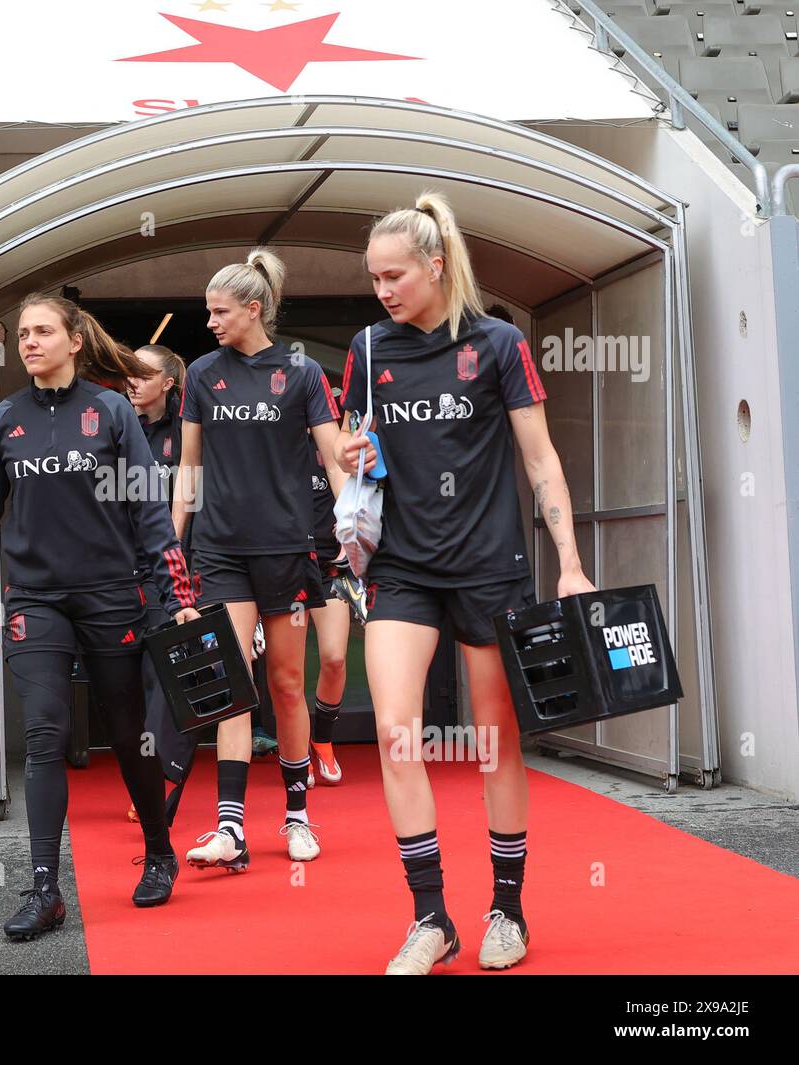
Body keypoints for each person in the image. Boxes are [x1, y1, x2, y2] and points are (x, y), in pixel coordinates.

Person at [334, 191, 595, 974]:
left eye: (396, 275)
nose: (383, 289)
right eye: (375, 277)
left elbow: (541, 460)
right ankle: (431, 917)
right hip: (404, 568)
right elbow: (351, 445)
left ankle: (507, 910)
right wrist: (351, 456)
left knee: (495, 741)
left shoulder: (500, 343)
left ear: (436, 265)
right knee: (393, 730)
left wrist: (573, 564)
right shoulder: (368, 349)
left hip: (490, 563)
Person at [0, 297, 199, 941]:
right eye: (24, 335)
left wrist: (176, 596)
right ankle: (44, 888)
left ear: (72, 340)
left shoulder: (112, 411)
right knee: (44, 733)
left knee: (126, 733)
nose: (30, 342)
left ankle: (158, 850)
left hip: (112, 597)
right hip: (35, 601)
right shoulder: (5, 419)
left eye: (42, 332)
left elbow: (151, 512)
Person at [172, 248, 343, 870]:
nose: (211, 321)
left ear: (253, 308)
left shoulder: (301, 373)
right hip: (220, 550)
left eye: (220, 311)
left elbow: (332, 457)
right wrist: (173, 540)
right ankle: (230, 829)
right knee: (231, 683)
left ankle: (297, 817)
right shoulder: (201, 374)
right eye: (207, 311)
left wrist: (355, 528)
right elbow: (187, 466)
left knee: (288, 685)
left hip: (289, 550)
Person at [125, 343, 195, 825]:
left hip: (170, 569)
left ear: (167, 383)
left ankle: (160, 779)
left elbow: (192, 495)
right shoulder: (112, 423)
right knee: (124, 677)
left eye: (142, 373)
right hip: (116, 569)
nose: (131, 379)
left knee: (167, 673)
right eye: (127, 370)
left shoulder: (188, 430)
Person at [304, 431, 353, 787]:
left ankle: (322, 739)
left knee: (334, 658)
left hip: (328, 567)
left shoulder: (338, 445)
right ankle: (294, 752)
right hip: (285, 567)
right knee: (285, 671)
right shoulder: (273, 437)